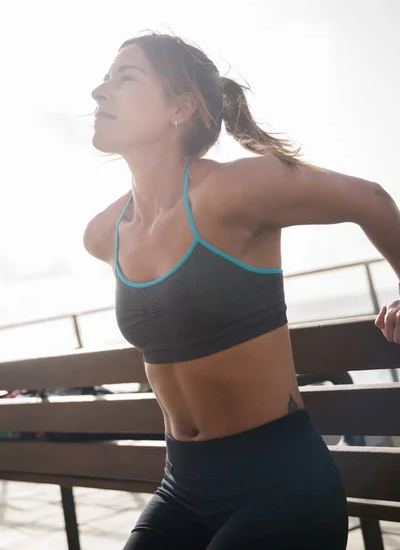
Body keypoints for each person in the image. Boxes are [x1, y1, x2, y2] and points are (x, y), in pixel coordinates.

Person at [84, 31, 400, 549]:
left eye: (126, 78)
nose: (100, 91)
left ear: (180, 109)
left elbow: (370, 198)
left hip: (280, 487)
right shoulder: (104, 233)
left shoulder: (232, 191)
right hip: (182, 485)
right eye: (105, 79)